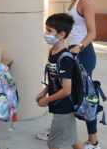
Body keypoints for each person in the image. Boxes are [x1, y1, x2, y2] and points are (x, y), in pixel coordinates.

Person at [37, 0, 99, 149]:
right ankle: (60, 128)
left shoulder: (86, 0)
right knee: (63, 90)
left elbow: (92, 32)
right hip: (70, 52)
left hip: (82, 53)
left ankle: (94, 141)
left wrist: (79, 46)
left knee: (83, 97)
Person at [36, 13, 83, 149]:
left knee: (53, 144)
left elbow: (66, 90)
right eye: (46, 29)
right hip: (59, 106)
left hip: (65, 108)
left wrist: (47, 100)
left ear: (61, 34)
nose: (46, 33)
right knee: (73, 140)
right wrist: (44, 91)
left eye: (49, 30)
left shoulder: (65, 59)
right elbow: (54, 78)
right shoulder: (52, 52)